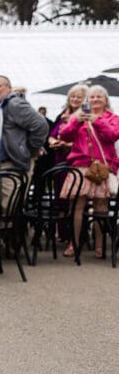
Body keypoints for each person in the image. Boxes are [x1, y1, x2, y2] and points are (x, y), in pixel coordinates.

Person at [57, 85, 119, 259]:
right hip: (80, 166)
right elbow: (65, 137)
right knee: (76, 206)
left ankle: (99, 246)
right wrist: (76, 121)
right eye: (92, 97)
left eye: (99, 97)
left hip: (101, 167)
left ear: (106, 100)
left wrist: (96, 120)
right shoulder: (77, 116)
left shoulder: (113, 118)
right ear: (88, 100)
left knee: (100, 207)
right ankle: (74, 243)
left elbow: (113, 135)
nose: (95, 99)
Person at [0, 75, 49, 211]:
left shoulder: (14, 103)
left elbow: (41, 125)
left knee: (9, 207)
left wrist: (29, 149)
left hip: (13, 163)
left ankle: (12, 232)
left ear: (9, 88)